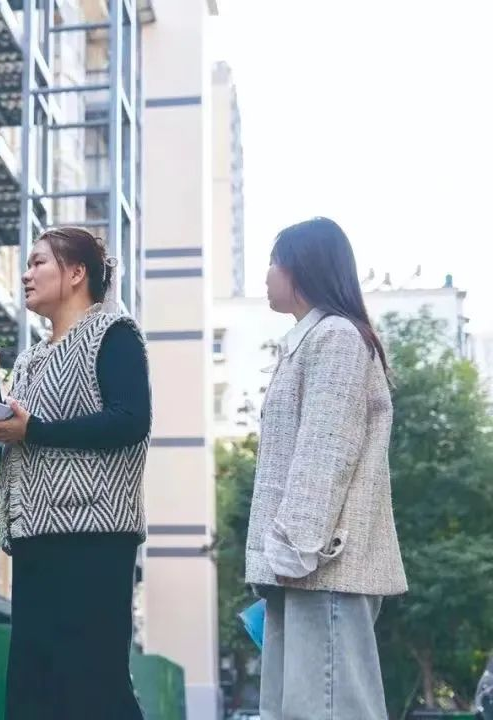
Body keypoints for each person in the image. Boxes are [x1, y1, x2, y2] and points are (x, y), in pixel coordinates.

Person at [0, 227, 151, 720]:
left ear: (76, 273)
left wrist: (34, 429)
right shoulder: (31, 357)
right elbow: (14, 447)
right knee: (34, 693)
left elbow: (131, 419)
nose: (26, 274)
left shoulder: (114, 334)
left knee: (94, 687)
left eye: (38, 262)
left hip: (94, 537)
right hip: (34, 538)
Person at [245, 217, 407, 720]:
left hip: (321, 565)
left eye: (274, 262)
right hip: (304, 568)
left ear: (301, 268)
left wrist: (292, 548)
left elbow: (326, 451)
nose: (267, 274)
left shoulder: (335, 336)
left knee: (328, 709)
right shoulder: (312, 339)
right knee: (299, 709)